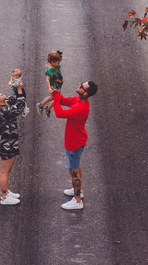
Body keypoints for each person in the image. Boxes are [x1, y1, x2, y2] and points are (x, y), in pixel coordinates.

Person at [52, 80, 98, 210]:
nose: (79, 86)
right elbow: (63, 100)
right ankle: (77, 190)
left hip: (74, 143)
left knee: (74, 172)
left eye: (81, 86)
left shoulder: (80, 107)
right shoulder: (78, 100)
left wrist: (55, 97)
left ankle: (77, 200)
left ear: (85, 93)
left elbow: (59, 113)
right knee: (75, 169)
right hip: (75, 141)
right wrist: (56, 93)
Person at [0, 69, 27, 205]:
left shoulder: (6, 103)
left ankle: (7, 192)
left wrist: (16, 84)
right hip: (6, 144)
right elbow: (19, 106)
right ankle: (4, 197)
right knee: (5, 171)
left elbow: (17, 97)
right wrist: (19, 91)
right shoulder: (2, 112)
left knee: (7, 170)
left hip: (10, 143)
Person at [35, 50, 63, 117]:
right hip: (54, 86)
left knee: (52, 97)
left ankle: (42, 105)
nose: (58, 64)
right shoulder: (49, 71)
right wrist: (49, 88)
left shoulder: (55, 66)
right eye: (57, 62)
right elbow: (47, 79)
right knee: (57, 98)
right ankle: (47, 108)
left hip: (57, 84)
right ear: (52, 62)